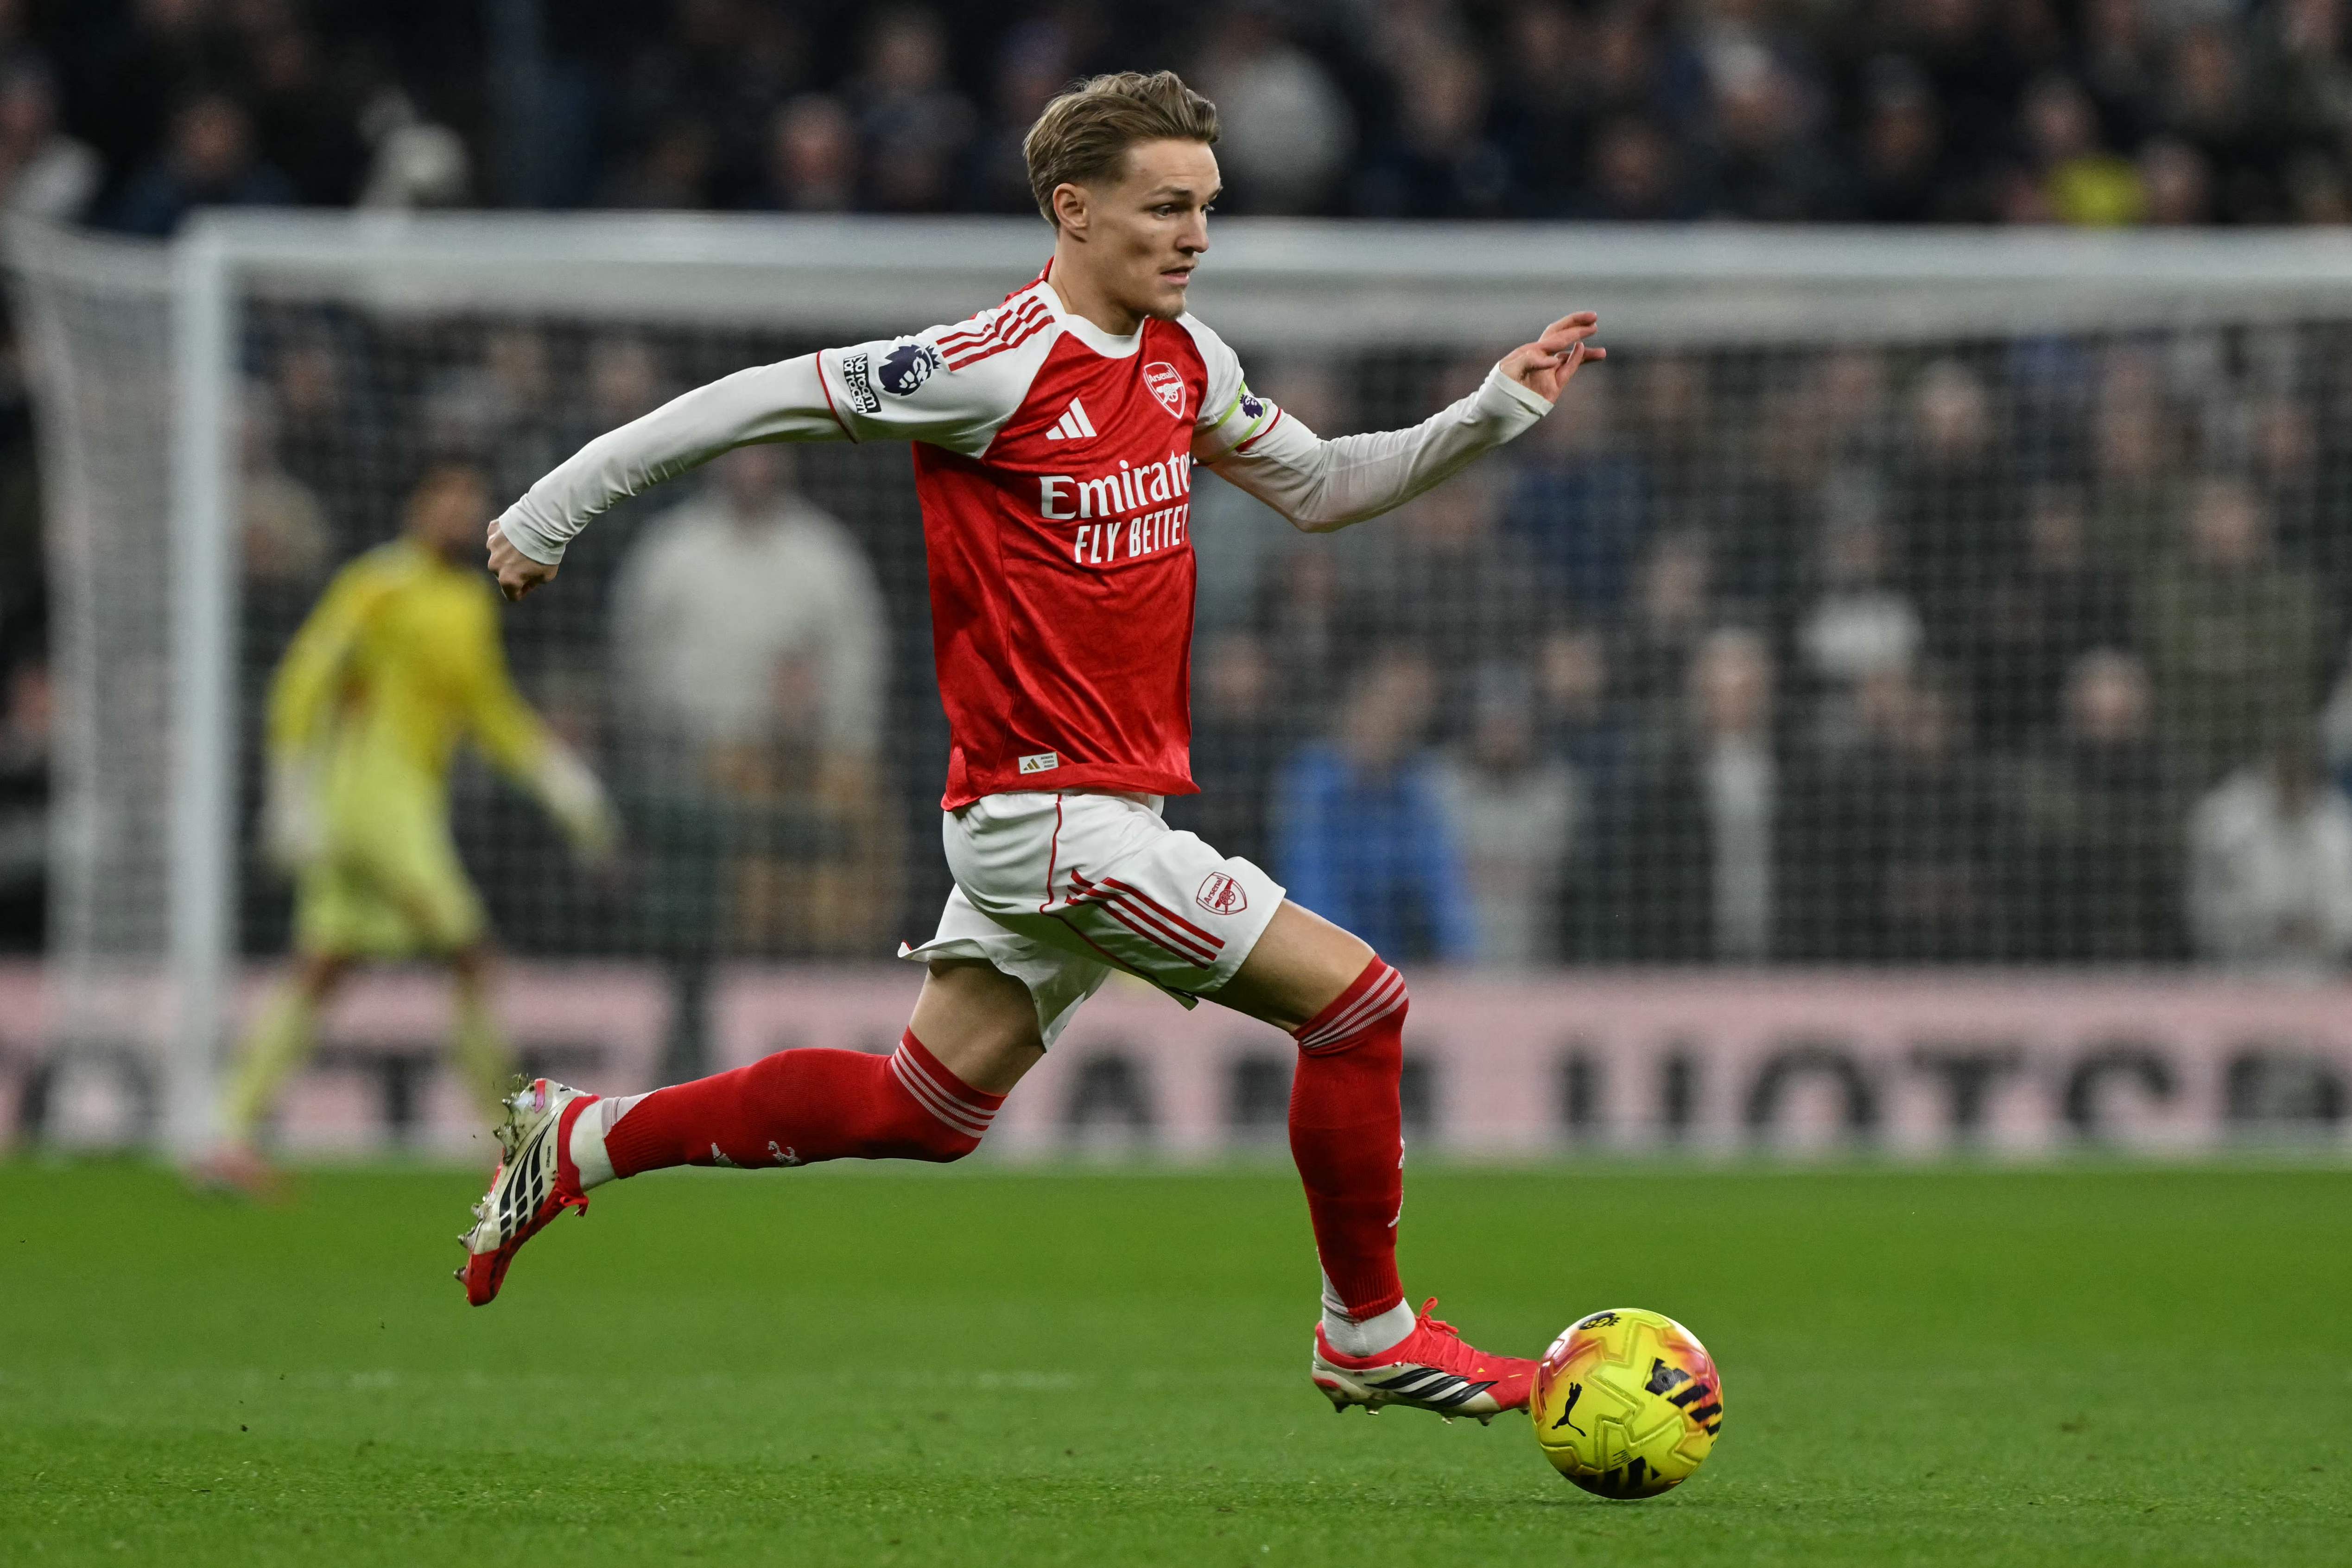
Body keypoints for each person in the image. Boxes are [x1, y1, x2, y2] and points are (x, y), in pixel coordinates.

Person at [466, 70, 1605, 1422]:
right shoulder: (988, 363)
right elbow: (748, 400)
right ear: (1073, 209)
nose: (1193, 236)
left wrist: (1489, 409)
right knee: (1357, 1004)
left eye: (1206, 210)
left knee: (923, 1112)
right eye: (1164, 207)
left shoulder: (1188, 361)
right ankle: (1367, 1331)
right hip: (1050, 822)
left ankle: (582, 1136)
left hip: (1098, 812)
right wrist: (547, 512)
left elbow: (1319, 486)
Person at [195, 464, 617, 1193]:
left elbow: (487, 710)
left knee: (325, 964)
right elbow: (304, 678)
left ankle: (227, 1135)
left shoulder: (467, 602)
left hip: (402, 802)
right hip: (371, 800)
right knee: (470, 953)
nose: (461, 512)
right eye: (446, 499)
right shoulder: (378, 583)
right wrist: (288, 793)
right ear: (416, 507)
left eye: (471, 501)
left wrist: (561, 781)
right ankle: (515, 1145)